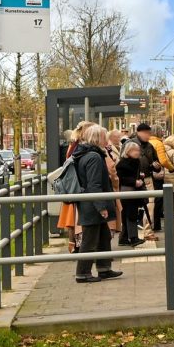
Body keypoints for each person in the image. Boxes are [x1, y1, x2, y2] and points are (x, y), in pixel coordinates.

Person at [72, 124, 123, 283]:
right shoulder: (93, 157)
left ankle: (104, 268)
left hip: (91, 203)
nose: (106, 140)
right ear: (97, 139)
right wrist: (101, 207)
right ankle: (83, 273)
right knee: (90, 239)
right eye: (104, 137)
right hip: (93, 205)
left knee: (103, 236)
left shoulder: (86, 154)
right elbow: (94, 184)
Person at [56, 121, 93, 253]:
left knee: (71, 218)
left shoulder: (73, 145)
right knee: (75, 218)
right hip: (77, 186)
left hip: (72, 186)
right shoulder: (80, 147)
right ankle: (76, 245)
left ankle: (73, 244)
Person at [115, 141, 146, 247]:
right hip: (128, 192)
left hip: (132, 191)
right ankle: (133, 238)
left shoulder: (135, 161)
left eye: (138, 150)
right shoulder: (123, 163)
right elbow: (120, 178)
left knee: (127, 215)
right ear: (128, 151)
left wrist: (140, 178)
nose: (137, 152)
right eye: (134, 150)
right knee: (131, 214)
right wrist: (134, 182)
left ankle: (123, 238)